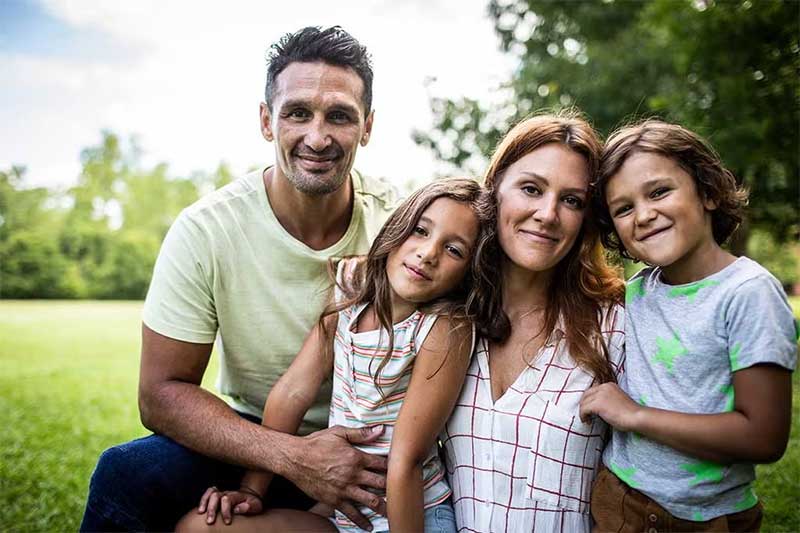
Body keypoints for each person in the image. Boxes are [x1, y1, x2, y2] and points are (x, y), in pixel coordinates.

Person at [80, 26, 399, 532]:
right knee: (126, 473)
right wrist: (292, 457)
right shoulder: (207, 228)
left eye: (339, 115)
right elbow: (161, 392)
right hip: (257, 433)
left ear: (367, 127)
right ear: (267, 121)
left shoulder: (402, 226)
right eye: (298, 113)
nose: (317, 137)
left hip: (373, 445)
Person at [176, 177, 484, 532]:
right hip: (343, 511)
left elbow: (407, 460)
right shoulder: (352, 284)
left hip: (414, 515)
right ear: (398, 227)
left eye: (454, 250)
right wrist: (252, 490)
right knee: (198, 527)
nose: (428, 253)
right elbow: (294, 389)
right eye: (420, 230)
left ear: (467, 273)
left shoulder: (444, 328)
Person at [581, 120, 797, 532]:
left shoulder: (748, 294)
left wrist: (634, 416)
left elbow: (764, 437)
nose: (644, 215)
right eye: (623, 208)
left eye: (659, 191)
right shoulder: (637, 292)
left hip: (706, 520)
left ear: (709, 192)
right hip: (618, 502)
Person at [441, 112, 626, 532]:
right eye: (531, 188)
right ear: (495, 191)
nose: (547, 214)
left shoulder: (614, 325)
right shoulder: (450, 317)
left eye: (572, 200)